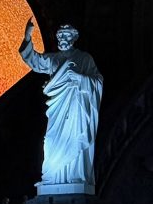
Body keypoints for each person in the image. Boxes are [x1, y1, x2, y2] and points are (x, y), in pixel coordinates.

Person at [19, 20, 103, 192]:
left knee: (73, 137)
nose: (63, 38)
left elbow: (97, 82)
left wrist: (80, 78)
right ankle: (51, 177)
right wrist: (27, 36)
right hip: (57, 107)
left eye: (66, 35)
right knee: (50, 140)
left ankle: (74, 176)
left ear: (73, 38)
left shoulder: (84, 58)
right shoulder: (53, 59)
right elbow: (34, 60)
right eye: (60, 35)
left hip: (76, 107)